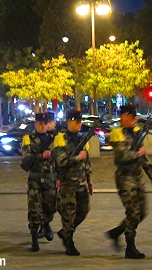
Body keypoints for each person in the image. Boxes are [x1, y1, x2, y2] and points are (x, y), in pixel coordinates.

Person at [106, 105, 152, 259]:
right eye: (131, 117)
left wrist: (151, 175)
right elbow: (121, 158)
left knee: (142, 212)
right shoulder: (117, 134)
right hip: (125, 178)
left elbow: (144, 157)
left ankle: (115, 232)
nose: (135, 120)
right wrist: (137, 153)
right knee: (133, 213)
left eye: (135, 118)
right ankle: (130, 247)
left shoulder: (136, 133)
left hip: (137, 177)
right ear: (124, 117)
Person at [53, 110, 93, 256]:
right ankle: (69, 242)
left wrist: (89, 179)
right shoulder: (60, 139)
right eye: (76, 122)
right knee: (68, 214)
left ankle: (65, 232)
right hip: (67, 183)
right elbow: (61, 161)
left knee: (83, 211)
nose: (79, 124)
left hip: (81, 182)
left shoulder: (82, 139)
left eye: (80, 122)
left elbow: (87, 162)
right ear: (69, 122)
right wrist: (77, 157)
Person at [21, 112, 57, 252]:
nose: (43, 126)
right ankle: (34, 238)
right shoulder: (28, 138)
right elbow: (26, 158)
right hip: (35, 177)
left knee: (50, 206)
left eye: (45, 123)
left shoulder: (53, 139)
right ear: (35, 124)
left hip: (50, 177)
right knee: (34, 208)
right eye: (40, 123)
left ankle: (46, 223)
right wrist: (41, 156)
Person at [37, 110, 58, 239]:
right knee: (39, 203)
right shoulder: (37, 137)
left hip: (53, 174)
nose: (49, 125)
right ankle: (43, 225)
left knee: (52, 204)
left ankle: (46, 222)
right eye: (46, 122)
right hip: (39, 175)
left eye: (49, 122)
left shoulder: (58, 137)